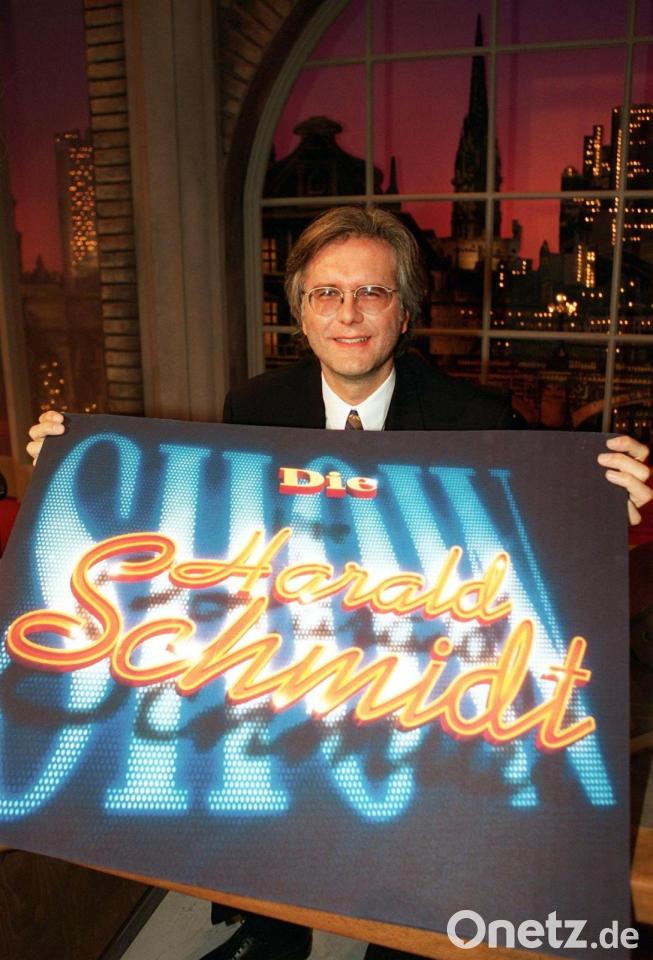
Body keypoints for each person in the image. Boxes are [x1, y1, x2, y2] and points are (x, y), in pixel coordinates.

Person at [27, 206, 652, 960]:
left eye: (371, 293)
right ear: (300, 312)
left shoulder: (473, 416)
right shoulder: (256, 407)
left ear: (404, 311)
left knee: (418, 837)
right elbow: (203, 511)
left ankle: (406, 932)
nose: (347, 315)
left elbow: (534, 517)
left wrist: (605, 494)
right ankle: (270, 929)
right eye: (326, 293)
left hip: (411, 653)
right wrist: (68, 464)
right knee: (243, 735)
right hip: (294, 645)